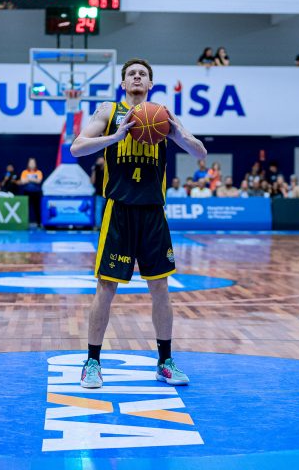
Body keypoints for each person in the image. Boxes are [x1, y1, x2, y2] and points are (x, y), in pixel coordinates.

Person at [70, 57, 207, 389]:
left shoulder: (162, 115)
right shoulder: (108, 111)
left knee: (160, 288)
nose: (136, 77)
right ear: (123, 83)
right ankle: (92, 362)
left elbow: (200, 153)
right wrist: (115, 137)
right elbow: (77, 148)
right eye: (131, 74)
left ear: (150, 84)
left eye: (142, 74)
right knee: (106, 287)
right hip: (119, 211)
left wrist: (178, 132)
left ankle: (165, 362)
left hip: (152, 213)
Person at [20, 157, 44, 225]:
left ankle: (39, 223)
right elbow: (22, 181)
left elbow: (39, 181)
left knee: (37, 208)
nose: (32, 164)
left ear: (35, 164)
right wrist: (33, 179)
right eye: (31, 163)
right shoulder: (24, 172)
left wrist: (28, 179)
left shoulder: (38, 172)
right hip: (27, 192)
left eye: (33, 163)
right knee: (26, 208)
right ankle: (24, 223)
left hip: (36, 193)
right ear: (28, 164)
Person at [90, 156, 106, 227]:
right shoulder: (97, 170)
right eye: (98, 160)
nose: (99, 161)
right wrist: (94, 170)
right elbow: (92, 182)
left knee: (106, 211)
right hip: (99, 194)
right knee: (98, 210)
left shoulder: (108, 169)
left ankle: (106, 226)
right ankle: (98, 226)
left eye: (100, 160)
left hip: (107, 194)